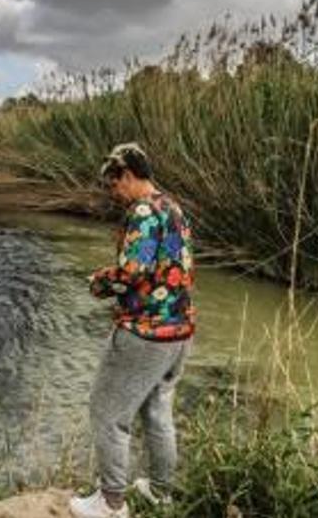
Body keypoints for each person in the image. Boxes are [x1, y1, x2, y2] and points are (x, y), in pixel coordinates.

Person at [70, 143, 196, 518]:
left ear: (127, 174)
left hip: (145, 333)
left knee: (106, 412)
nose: (113, 194)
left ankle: (110, 504)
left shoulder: (141, 212)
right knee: (157, 410)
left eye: (113, 184)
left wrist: (99, 282)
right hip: (181, 330)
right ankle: (160, 492)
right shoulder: (173, 207)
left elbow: (132, 274)